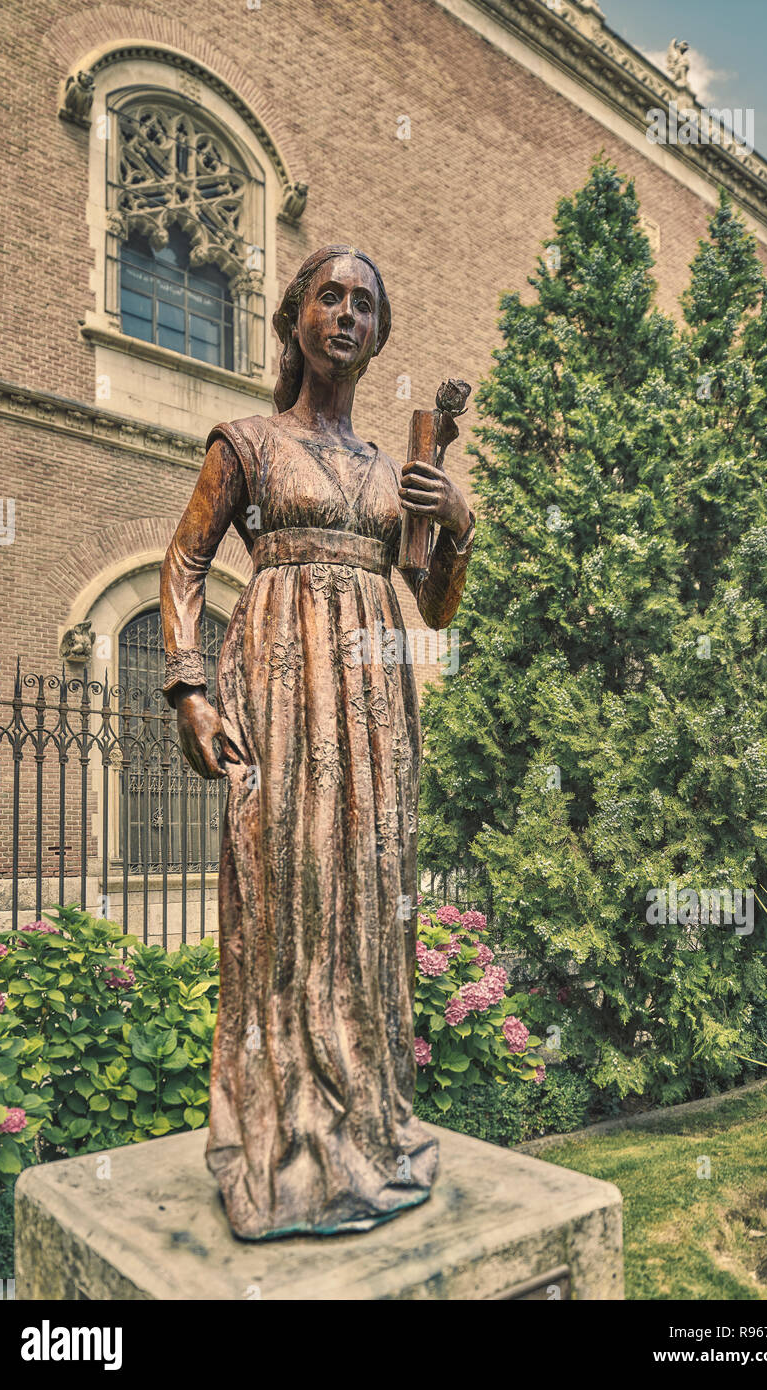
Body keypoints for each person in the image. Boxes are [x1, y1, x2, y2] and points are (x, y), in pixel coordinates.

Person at [160, 245, 475, 1239]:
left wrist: (456, 524)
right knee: (286, 897)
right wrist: (189, 688)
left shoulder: (395, 469)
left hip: (374, 708)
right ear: (297, 317)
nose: (347, 314)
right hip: (282, 694)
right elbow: (184, 560)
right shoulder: (247, 442)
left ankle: (366, 1128)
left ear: (378, 335)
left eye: (365, 305)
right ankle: (287, 1136)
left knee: (366, 907)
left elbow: (432, 604)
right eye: (330, 297)